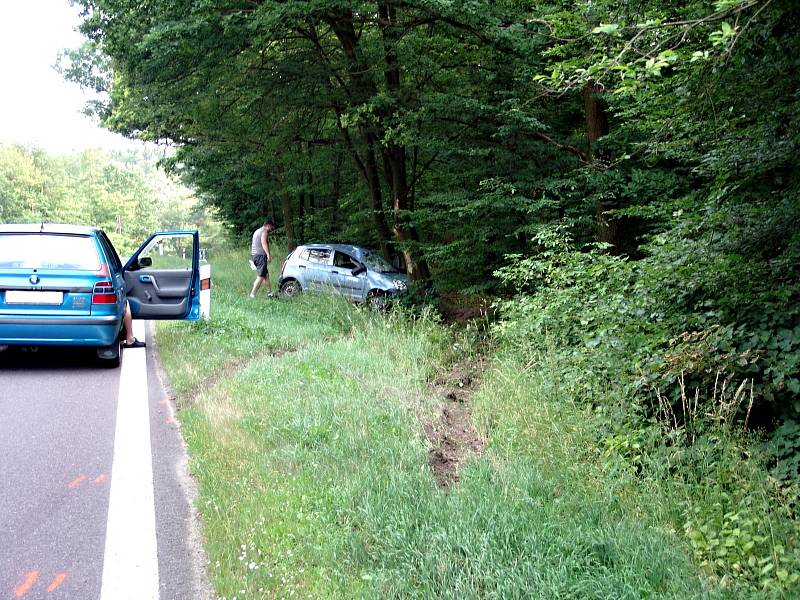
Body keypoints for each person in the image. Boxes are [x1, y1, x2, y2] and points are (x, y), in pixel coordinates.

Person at [249, 219, 276, 298]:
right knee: (260, 276)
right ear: (268, 225)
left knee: (266, 275)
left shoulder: (258, 230)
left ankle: (270, 294)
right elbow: (263, 243)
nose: (271, 230)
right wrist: (268, 255)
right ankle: (252, 294)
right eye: (271, 228)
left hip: (255, 255)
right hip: (260, 256)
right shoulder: (264, 231)